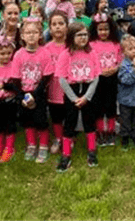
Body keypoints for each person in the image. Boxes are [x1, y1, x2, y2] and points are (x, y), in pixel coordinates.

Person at [55, 22, 104, 172]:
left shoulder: (92, 53)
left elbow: (96, 76)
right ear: (71, 36)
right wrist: (73, 98)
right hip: (72, 92)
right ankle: (66, 155)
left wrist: (87, 97)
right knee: (69, 123)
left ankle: (91, 151)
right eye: (79, 35)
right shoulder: (65, 54)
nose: (83, 38)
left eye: (85, 34)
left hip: (88, 91)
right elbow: (61, 79)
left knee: (90, 122)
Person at [12, 18, 54, 163]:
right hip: (23, 93)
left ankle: (43, 146)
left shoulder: (45, 53)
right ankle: (31, 145)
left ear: (40, 35)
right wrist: (23, 96)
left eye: (35, 32)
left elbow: (47, 76)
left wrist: (35, 95)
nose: (31, 36)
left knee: (40, 121)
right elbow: (15, 78)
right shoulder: (18, 54)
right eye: (28, 33)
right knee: (27, 121)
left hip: (39, 94)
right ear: (22, 35)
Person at [89, 13, 123, 147]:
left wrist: (115, 68)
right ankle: (100, 131)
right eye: (100, 29)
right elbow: (89, 61)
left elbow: (120, 60)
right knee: (97, 106)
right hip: (97, 80)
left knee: (110, 105)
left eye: (106, 29)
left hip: (112, 79)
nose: (103, 32)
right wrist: (99, 71)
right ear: (95, 30)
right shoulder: (91, 44)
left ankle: (110, 131)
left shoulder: (115, 44)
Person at [43, 11, 70, 155]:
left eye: (61, 24)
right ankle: (58, 138)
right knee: (56, 116)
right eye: (54, 24)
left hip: (70, 88)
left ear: (67, 26)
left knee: (69, 114)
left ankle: (68, 137)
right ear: (50, 28)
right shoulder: (46, 48)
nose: (58, 27)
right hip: (53, 88)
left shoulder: (71, 46)